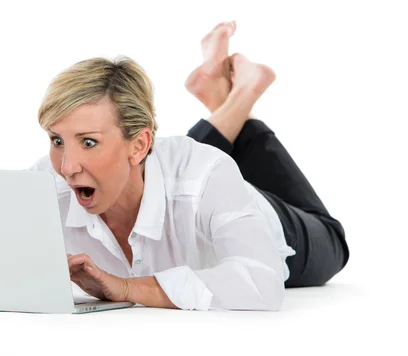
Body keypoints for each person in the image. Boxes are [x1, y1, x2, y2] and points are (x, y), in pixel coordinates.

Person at [28, 21, 349, 311]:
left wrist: (127, 288)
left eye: (87, 143)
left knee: (334, 245)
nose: (67, 167)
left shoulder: (204, 177)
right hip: (170, 167)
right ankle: (221, 95)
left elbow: (260, 282)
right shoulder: (44, 187)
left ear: (140, 146)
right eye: (57, 141)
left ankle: (243, 94)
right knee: (146, 160)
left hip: (264, 218)